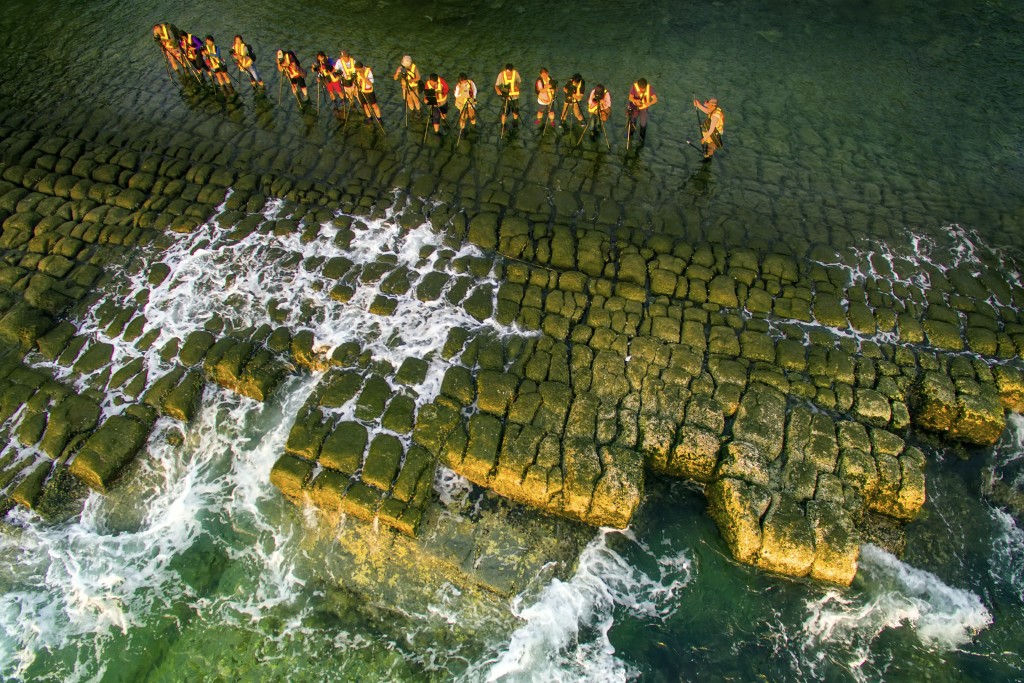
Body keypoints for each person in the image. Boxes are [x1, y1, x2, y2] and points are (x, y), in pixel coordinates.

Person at [693, 96, 725, 161]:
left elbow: (711, 130)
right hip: (712, 132)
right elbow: (707, 111)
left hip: (715, 133)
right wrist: (698, 105)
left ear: (712, 106)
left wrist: (704, 139)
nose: (706, 103)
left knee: (710, 147)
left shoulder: (715, 116)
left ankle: (708, 159)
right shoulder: (713, 109)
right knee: (707, 146)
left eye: (707, 102)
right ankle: (707, 156)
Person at [627, 77, 659, 142]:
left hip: (644, 108)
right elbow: (630, 97)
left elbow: (655, 99)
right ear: (638, 86)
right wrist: (636, 101)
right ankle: (630, 135)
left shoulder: (650, 88)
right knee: (632, 121)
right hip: (635, 107)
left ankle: (642, 138)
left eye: (644, 88)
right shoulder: (634, 87)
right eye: (641, 88)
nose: (643, 89)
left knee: (643, 124)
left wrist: (649, 104)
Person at [494, 63, 521, 128]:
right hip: (506, 96)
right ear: (505, 70)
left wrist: (517, 86)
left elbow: (519, 81)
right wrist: (498, 90)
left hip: (514, 97)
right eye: (508, 72)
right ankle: (503, 126)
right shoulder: (501, 75)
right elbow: (496, 85)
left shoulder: (515, 73)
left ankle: (515, 123)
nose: (509, 74)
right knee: (505, 112)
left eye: (510, 72)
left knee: (515, 111)